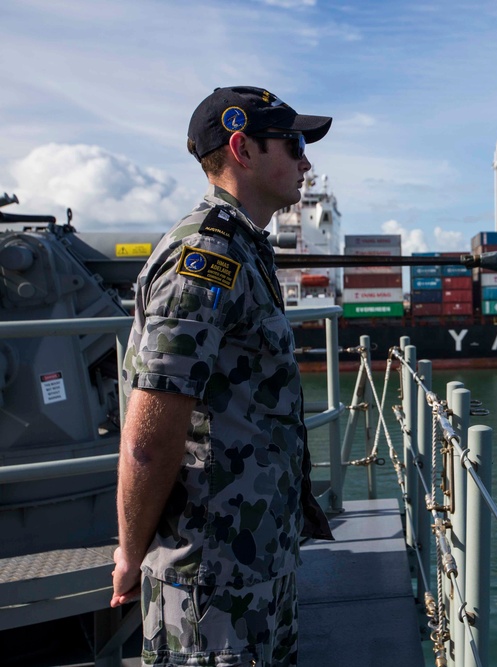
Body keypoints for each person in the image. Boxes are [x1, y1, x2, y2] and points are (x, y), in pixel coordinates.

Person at [112, 86, 333, 666]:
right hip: (213, 584)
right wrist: (131, 554)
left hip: (254, 565)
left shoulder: (243, 250)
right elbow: (148, 440)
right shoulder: (205, 261)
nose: (307, 160)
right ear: (243, 149)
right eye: (294, 143)